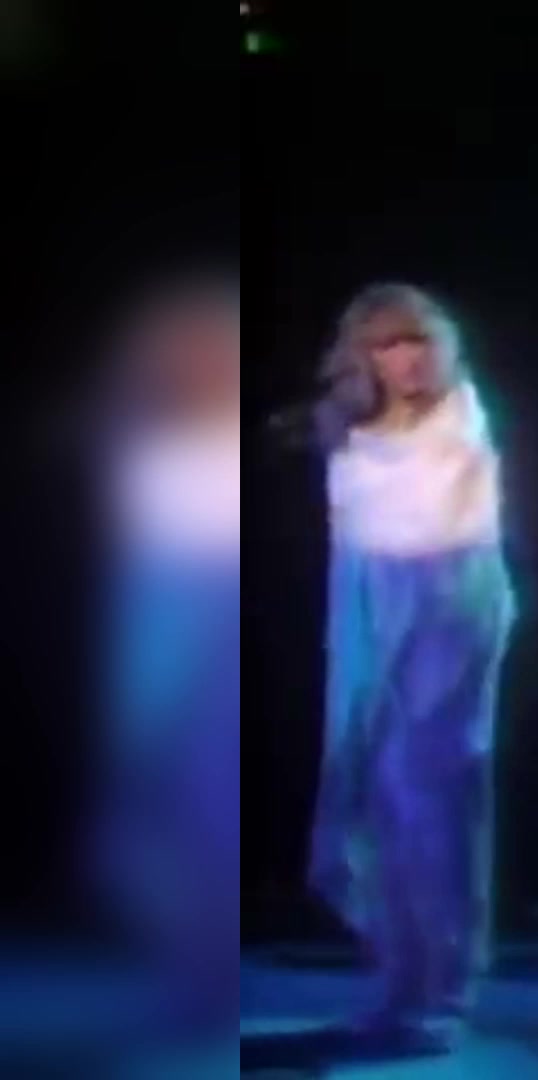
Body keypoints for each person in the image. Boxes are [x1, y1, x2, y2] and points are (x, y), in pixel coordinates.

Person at [306, 283, 517, 1037]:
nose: (407, 358)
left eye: (419, 340)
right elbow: (354, 551)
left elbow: (458, 536)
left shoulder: (462, 418)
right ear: (365, 355)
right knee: (377, 791)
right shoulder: (351, 438)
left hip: (451, 605)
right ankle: (400, 979)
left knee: (431, 793)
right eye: (389, 344)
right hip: (371, 608)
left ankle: (445, 987)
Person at [95, 273, 242, 1038]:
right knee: (149, 831)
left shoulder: (215, 458)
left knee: (205, 825)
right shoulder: (150, 453)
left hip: (211, 657)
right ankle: (187, 978)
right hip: (166, 639)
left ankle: (205, 982)